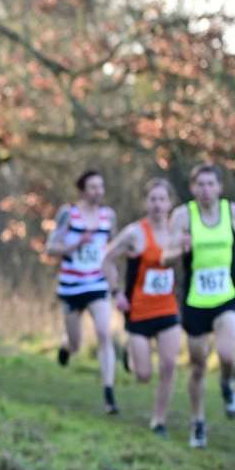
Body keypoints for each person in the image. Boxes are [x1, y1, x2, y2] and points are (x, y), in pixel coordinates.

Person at [161, 163, 235, 449]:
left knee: (228, 355)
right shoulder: (183, 216)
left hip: (226, 295)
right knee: (198, 367)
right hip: (195, 301)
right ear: (193, 189)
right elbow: (164, 257)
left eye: (210, 184)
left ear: (219, 187)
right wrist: (179, 247)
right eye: (200, 185)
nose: (205, 191)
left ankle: (228, 384)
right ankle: (198, 423)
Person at [101, 179, 183, 435]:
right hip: (138, 311)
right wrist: (116, 293)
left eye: (162, 199)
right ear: (146, 203)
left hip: (168, 308)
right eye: (152, 199)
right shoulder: (134, 233)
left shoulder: (178, 233)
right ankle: (131, 355)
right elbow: (106, 260)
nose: (157, 205)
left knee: (169, 365)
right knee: (144, 375)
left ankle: (159, 420)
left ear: (170, 203)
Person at [47, 169, 120, 414]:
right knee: (77, 344)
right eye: (93, 187)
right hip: (71, 286)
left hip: (97, 284)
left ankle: (109, 391)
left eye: (101, 187)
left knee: (104, 334)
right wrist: (76, 244)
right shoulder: (68, 214)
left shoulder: (108, 216)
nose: (98, 192)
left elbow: (113, 247)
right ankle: (66, 346)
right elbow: (51, 248)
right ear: (82, 190)